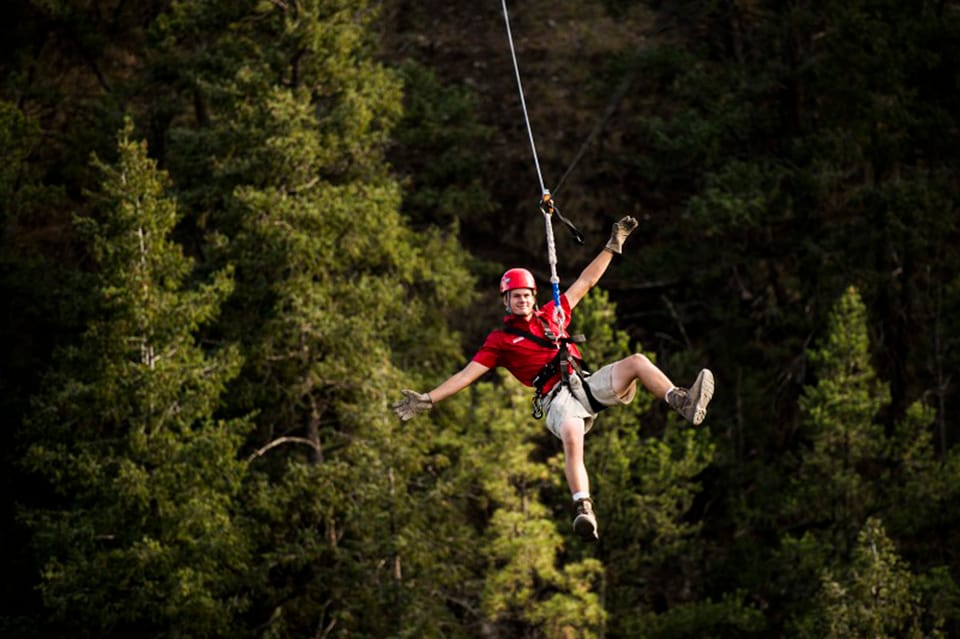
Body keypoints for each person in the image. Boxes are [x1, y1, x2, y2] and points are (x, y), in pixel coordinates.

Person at [392, 216, 715, 541]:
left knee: (637, 362)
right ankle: (583, 508)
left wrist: (612, 246)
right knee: (574, 436)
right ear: (506, 301)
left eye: (526, 295)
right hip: (556, 399)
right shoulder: (500, 341)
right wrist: (429, 398)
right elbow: (467, 374)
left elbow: (586, 282)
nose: (522, 300)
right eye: (515, 296)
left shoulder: (552, 314)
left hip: (583, 384)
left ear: (534, 297)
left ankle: (681, 401)